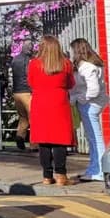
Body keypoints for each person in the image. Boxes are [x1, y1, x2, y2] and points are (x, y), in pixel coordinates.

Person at [28, 35, 77, 187]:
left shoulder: (34, 64)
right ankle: (61, 176)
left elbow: (31, 82)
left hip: (40, 102)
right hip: (59, 102)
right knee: (60, 141)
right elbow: (71, 83)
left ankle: (47, 176)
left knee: (44, 141)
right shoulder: (66, 64)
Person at [70, 38, 108, 182]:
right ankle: (94, 168)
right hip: (92, 103)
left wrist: (79, 98)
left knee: (94, 138)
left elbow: (93, 90)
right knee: (92, 138)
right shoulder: (93, 64)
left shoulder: (87, 67)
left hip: (90, 104)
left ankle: (98, 171)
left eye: (74, 50)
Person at [10, 45, 33, 151]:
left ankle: (20, 136)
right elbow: (29, 75)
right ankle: (35, 144)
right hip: (27, 92)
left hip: (16, 92)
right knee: (33, 117)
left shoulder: (14, 60)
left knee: (23, 117)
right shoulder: (29, 60)